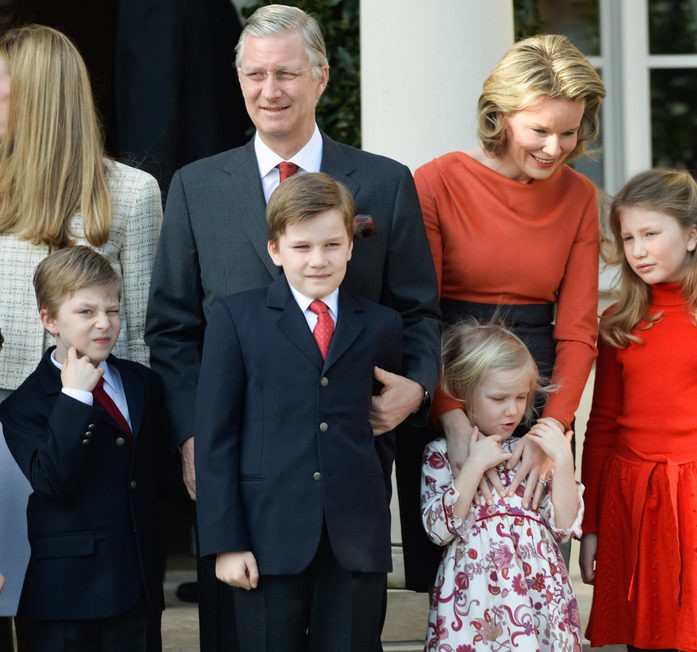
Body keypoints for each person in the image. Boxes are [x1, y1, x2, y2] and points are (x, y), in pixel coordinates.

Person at [144, 5, 440, 647]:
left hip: (345, 477)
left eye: (286, 73)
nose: (269, 90)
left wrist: (416, 386)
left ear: (322, 77)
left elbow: (418, 310)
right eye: (255, 75)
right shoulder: (196, 186)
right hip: (237, 479)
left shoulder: (385, 183)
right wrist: (194, 436)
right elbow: (170, 326)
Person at [408, 33, 605, 590]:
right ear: (500, 115)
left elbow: (578, 330)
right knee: (452, 573)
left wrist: (553, 428)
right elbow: (420, 313)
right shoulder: (437, 180)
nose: (555, 147)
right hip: (449, 378)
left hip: (539, 389)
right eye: (539, 130)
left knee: (535, 573)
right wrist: (450, 418)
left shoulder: (580, 197)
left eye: (569, 132)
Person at [0, 24, 162, 651]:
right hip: (7, 442)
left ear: (38, 97)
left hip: (91, 453)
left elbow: (142, 336)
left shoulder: (131, 192)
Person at [194, 172, 401, 650]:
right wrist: (226, 541)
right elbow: (215, 437)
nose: (318, 260)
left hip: (354, 543)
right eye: (302, 247)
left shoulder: (382, 326)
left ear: (351, 245)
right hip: (266, 540)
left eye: (332, 245)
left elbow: (381, 433)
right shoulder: (235, 319)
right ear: (275, 249)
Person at [579, 168, 697, 651]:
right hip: (630, 500)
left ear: (691, 235)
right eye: (627, 238)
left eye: (650, 234)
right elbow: (600, 427)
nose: (638, 250)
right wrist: (592, 528)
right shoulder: (618, 322)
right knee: (640, 640)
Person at [0, 245, 170, 651]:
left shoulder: (142, 383)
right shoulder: (23, 405)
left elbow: (153, 477)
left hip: (138, 588)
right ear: (49, 320)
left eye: (112, 310)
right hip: (65, 599)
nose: (103, 324)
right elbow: (53, 480)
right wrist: (74, 399)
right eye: (86, 312)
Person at [421, 321, 584, 650]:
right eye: (498, 398)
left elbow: (564, 527)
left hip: (539, 598)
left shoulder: (531, 455)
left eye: (521, 397)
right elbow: (438, 529)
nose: (513, 410)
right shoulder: (441, 453)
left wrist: (564, 463)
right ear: (463, 392)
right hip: (476, 604)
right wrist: (474, 464)